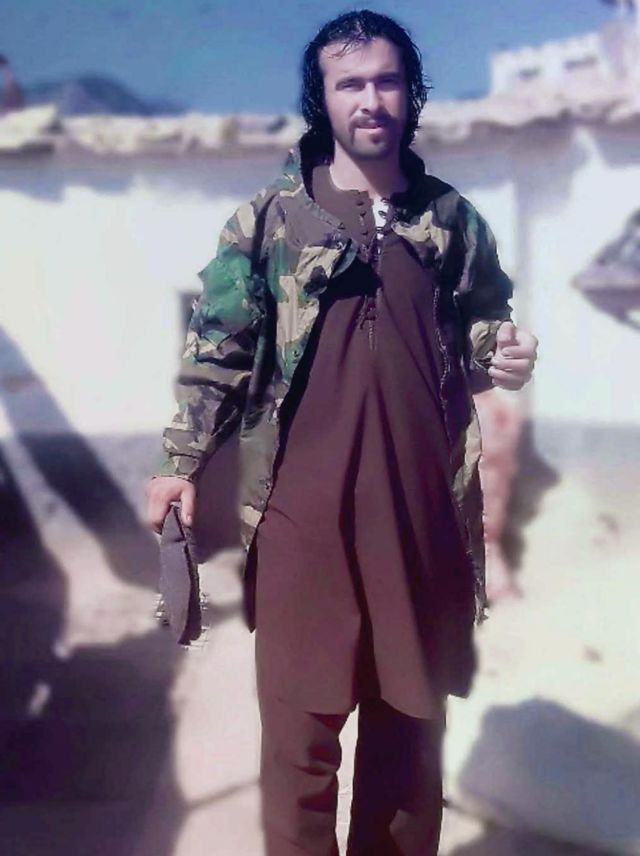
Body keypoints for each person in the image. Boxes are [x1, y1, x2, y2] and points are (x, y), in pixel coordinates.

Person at [146, 10, 538, 855]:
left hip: (419, 517)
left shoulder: (452, 221)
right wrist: (180, 463)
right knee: (300, 747)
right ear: (321, 99)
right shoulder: (266, 223)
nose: (370, 99)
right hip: (301, 523)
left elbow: (482, 322)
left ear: (411, 93)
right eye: (349, 83)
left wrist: (503, 350)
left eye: (387, 80)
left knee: (408, 745)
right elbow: (217, 354)